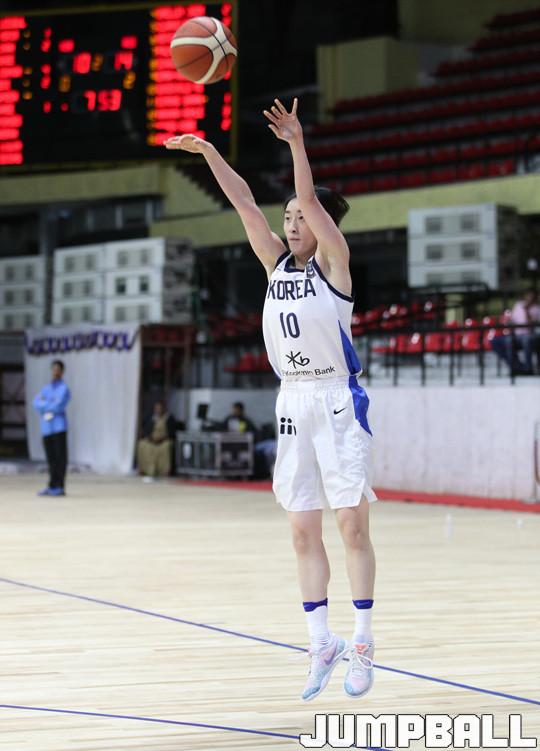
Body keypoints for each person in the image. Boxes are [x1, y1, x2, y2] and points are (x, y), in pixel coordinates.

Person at [164, 97, 377, 702]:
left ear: (322, 224)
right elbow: (242, 202)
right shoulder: (275, 264)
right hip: (293, 402)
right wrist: (209, 151)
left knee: (350, 525)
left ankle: (364, 641)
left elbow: (308, 196)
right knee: (303, 532)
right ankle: (321, 642)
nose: (291, 221)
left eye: (301, 216)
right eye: (287, 216)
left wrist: (297, 144)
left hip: (336, 399)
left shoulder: (335, 266)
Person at [32, 359, 71, 497]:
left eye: (57, 369)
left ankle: (59, 486)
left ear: (62, 371)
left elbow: (59, 405)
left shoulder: (64, 389)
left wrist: (45, 405)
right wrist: (49, 405)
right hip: (47, 428)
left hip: (59, 427)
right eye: (53, 369)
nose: (55, 372)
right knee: (51, 459)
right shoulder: (46, 388)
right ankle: (51, 485)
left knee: (60, 458)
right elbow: (35, 402)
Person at [491, 289, 540, 375]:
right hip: (516, 335)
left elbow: (530, 324)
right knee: (498, 341)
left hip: (530, 335)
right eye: (529, 296)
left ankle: (528, 368)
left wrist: (526, 310)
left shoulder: (537, 309)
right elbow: (511, 320)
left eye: (532, 297)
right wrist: (507, 321)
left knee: (526, 340)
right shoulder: (518, 305)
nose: (530, 298)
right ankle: (516, 366)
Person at [137, 400, 176, 480]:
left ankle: (165, 471)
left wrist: (161, 439)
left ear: (164, 409)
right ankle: (145, 469)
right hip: (153, 440)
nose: (158, 410)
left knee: (166, 446)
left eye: (160, 408)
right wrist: (150, 438)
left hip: (164, 440)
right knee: (142, 444)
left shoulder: (169, 418)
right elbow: (147, 430)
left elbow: (172, 433)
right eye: (157, 409)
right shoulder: (152, 418)